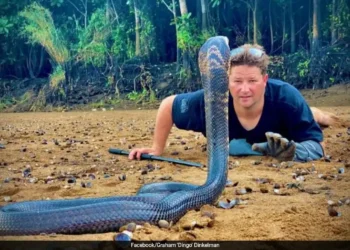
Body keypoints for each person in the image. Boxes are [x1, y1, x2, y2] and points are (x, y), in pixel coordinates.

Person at [129, 43, 330, 162]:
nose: (244, 89)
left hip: (287, 121)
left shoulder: (286, 98)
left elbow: (318, 146)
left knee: (314, 116)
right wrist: (157, 148)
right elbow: (168, 105)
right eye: (237, 81)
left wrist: (293, 152)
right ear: (226, 81)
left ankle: (315, 113)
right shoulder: (211, 101)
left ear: (264, 80)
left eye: (252, 81)